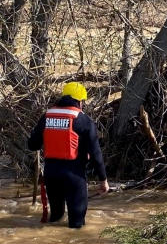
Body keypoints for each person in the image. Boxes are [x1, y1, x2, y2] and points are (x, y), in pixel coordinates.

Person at [27, 81, 109, 229]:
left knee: (56, 218)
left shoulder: (47, 116)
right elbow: (96, 154)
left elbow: (32, 145)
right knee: (77, 225)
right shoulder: (84, 120)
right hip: (74, 176)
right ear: (80, 101)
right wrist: (103, 180)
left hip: (51, 175)